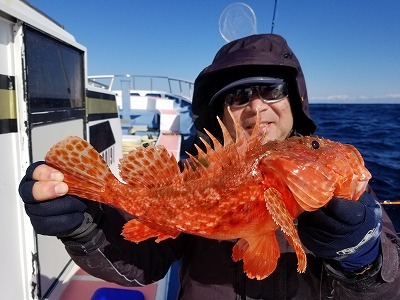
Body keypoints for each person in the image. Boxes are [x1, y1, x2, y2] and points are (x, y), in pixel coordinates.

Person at [19, 34, 400, 299]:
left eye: (271, 89)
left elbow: (392, 288)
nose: (255, 108)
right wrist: (88, 227)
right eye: (237, 97)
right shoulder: (192, 173)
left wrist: (363, 258)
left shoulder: (344, 192)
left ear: (294, 100)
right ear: (220, 113)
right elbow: (140, 264)